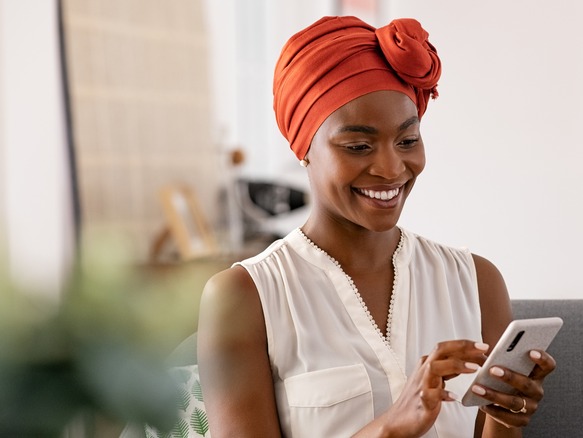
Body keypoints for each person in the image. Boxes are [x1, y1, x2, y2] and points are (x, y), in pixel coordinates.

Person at [197, 15, 556, 437]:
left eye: (407, 141)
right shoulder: (244, 297)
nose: (391, 168)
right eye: (358, 146)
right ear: (303, 149)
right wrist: (389, 429)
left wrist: (501, 417)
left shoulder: (477, 282)